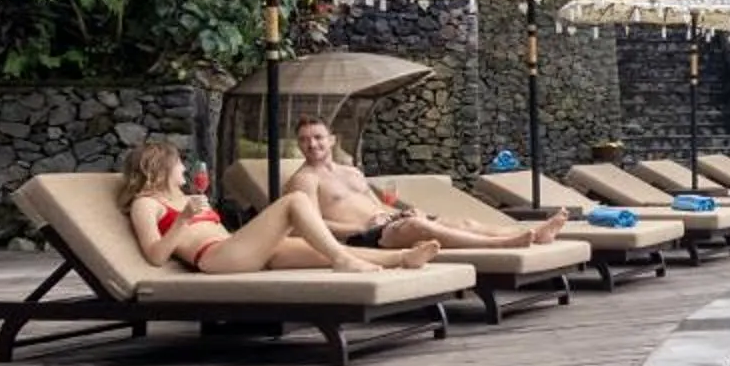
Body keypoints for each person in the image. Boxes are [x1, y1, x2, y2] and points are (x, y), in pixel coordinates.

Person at [117, 139, 441, 274]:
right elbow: (155, 256)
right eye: (178, 165)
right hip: (215, 258)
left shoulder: (184, 197)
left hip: (235, 247)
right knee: (295, 201)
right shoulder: (146, 204)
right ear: (159, 168)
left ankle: (402, 257)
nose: (184, 170)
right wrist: (183, 220)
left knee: (314, 248)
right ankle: (343, 258)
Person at [280, 118, 569, 250]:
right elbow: (306, 224)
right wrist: (359, 228)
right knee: (423, 229)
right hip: (363, 238)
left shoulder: (351, 172)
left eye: (318, 137)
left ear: (331, 140)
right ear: (299, 145)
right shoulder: (304, 180)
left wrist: (401, 212)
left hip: (388, 222)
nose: (312, 144)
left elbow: (376, 203)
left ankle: (533, 232)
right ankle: (504, 244)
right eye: (305, 140)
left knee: (463, 222)